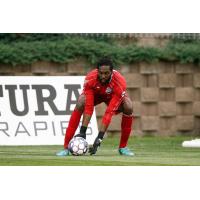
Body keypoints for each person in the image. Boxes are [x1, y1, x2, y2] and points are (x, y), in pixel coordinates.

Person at [56, 58, 134, 156]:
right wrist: (82, 132)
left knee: (128, 106)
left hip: (112, 97)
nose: (103, 76)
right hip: (96, 95)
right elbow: (89, 107)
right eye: (101, 73)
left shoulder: (120, 83)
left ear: (111, 72)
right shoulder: (90, 79)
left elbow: (109, 112)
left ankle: (123, 147)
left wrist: (99, 137)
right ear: (97, 71)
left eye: (106, 73)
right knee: (81, 102)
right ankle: (66, 148)